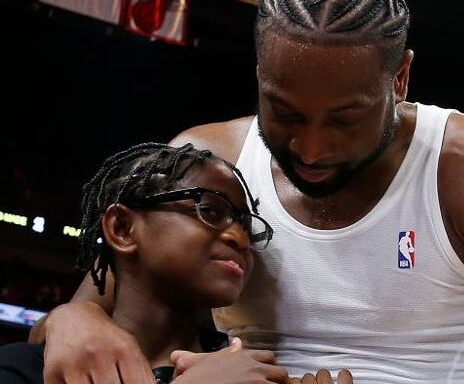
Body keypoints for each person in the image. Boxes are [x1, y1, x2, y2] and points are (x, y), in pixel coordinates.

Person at [31, 0, 464, 382]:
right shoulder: (212, 162)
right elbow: (84, 317)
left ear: (399, 78)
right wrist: (71, 320)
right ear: (259, 72)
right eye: (285, 113)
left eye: (345, 119)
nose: (311, 148)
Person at [0, 142, 293, 383]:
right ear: (122, 229)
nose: (239, 238)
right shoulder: (26, 367)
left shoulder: (254, 374)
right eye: (211, 212)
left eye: (248, 227)